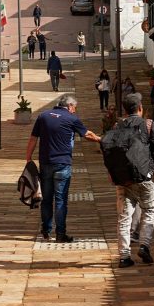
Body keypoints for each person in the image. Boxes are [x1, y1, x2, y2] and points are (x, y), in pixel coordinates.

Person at [25, 93, 101, 242]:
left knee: (46, 199)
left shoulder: (43, 116)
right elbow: (87, 134)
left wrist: (28, 158)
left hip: (45, 163)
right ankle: (60, 234)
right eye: (75, 108)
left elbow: (33, 138)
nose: (75, 111)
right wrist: (101, 140)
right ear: (70, 106)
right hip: (62, 164)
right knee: (60, 200)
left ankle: (46, 231)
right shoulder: (72, 119)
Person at [110, 92, 154, 267]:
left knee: (124, 217)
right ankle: (144, 245)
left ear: (125, 111)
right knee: (149, 209)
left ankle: (124, 256)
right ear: (140, 108)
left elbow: (110, 151)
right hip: (144, 177)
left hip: (123, 179)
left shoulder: (117, 126)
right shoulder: (148, 125)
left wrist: (113, 174)